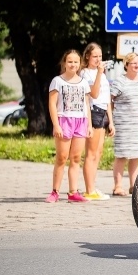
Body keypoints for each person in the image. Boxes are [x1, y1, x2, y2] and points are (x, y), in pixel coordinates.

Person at [45, 50, 92, 203]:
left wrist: (89, 125)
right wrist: (56, 125)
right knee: (62, 157)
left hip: (81, 121)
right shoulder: (57, 81)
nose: (73, 64)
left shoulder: (84, 82)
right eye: (70, 61)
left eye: (76, 62)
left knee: (76, 157)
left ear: (80, 64)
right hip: (64, 120)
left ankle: (73, 192)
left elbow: (87, 105)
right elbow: (52, 104)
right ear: (64, 63)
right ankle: (55, 191)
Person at [79, 43, 114, 201]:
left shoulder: (103, 74)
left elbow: (106, 98)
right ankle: (89, 189)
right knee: (91, 153)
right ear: (87, 56)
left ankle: (93, 186)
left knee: (98, 152)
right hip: (93, 112)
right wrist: (99, 73)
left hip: (103, 113)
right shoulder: (85, 73)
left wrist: (111, 121)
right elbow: (93, 93)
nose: (98, 59)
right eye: (95, 56)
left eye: (100, 56)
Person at [110, 53, 138, 196]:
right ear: (126, 65)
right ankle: (117, 186)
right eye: (133, 63)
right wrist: (111, 121)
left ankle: (133, 185)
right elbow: (109, 101)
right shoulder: (120, 81)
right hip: (123, 124)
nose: (137, 65)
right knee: (122, 155)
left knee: (136, 155)